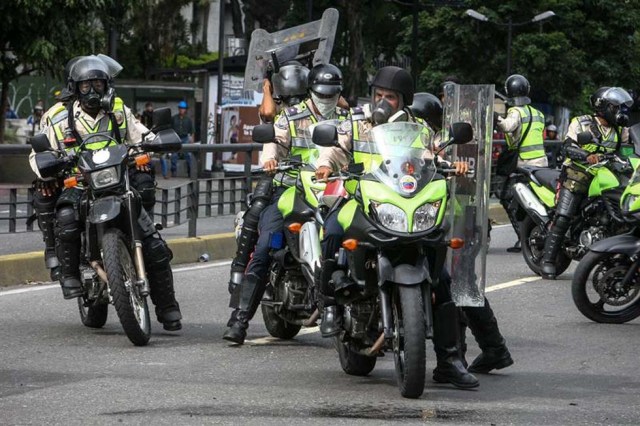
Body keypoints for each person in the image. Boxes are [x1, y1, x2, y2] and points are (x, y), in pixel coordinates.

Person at [315, 66, 478, 389]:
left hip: (406, 204)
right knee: (332, 229)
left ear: (403, 99)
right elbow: (334, 150)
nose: (383, 101)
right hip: (363, 198)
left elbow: (432, 158)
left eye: (390, 96)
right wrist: (324, 165)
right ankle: (329, 304)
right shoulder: (355, 121)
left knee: (442, 280)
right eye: (379, 95)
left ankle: (449, 361)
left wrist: (453, 165)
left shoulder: (418, 128)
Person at [28, 55, 182, 331]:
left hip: (118, 181)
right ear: (75, 87)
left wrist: (155, 143)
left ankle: (168, 307)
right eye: (86, 85)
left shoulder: (119, 109)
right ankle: (70, 274)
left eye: (98, 83)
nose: (92, 90)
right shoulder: (57, 116)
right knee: (65, 216)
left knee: (155, 246)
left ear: (106, 84)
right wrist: (46, 167)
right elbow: (37, 153)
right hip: (80, 183)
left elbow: (141, 136)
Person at [223, 63, 350, 345]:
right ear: (310, 91)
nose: (326, 99)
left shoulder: (349, 118)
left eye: (332, 94)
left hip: (337, 190)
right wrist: (270, 158)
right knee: (267, 243)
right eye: (321, 94)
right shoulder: (291, 117)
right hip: (291, 188)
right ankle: (240, 319)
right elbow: (274, 140)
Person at [410, 91, 514, 375]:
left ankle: (458, 359)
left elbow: (465, 177)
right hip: (449, 219)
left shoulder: (451, 140)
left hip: (461, 221)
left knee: (456, 287)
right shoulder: (431, 140)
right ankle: (492, 349)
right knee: (462, 286)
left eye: (415, 120)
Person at [226, 62, 312, 317]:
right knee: (259, 227)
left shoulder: (324, 113)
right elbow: (268, 119)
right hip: (280, 180)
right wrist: (266, 86)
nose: (295, 101)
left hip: (316, 187)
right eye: (290, 97)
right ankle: (239, 314)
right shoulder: (281, 113)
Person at [540, 87, 633, 279]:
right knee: (564, 216)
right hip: (577, 172)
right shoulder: (581, 123)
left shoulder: (620, 129)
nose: (620, 112)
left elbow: (630, 148)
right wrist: (586, 155)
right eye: (616, 108)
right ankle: (548, 260)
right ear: (603, 106)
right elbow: (567, 147)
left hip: (606, 172)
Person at [496, 74, 548, 253]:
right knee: (535, 200)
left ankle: (523, 237)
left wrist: (496, 118)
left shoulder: (516, 112)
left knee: (506, 197)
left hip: (523, 165)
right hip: (541, 165)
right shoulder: (538, 114)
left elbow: (508, 127)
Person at [161, 101, 193, 178]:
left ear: (185, 110)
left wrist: (191, 140)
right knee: (174, 155)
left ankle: (190, 172)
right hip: (176, 138)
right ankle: (174, 171)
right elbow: (170, 129)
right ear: (179, 109)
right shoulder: (174, 118)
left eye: (183, 109)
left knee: (188, 155)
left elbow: (192, 131)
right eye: (181, 108)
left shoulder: (188, 120)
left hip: (185, 138)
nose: (182, 110)